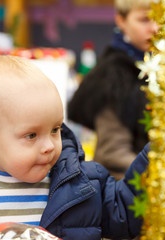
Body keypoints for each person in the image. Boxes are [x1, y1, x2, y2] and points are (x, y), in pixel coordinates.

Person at [0, 55, 150, 240]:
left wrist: (155, 157)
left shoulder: (85, 185)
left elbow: (127, 214)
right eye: (31, 135)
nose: (49, 146)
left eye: (55, 129)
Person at [67, 0, 158, 180]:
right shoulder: (116, 74)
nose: (154, 27)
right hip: (127, 192)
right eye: (144, 20)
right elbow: (113, 154)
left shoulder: (154, 64)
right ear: (121, 21)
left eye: (159, 19)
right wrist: (159, 176)